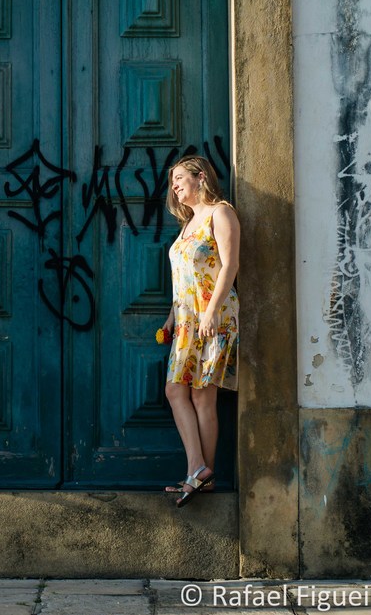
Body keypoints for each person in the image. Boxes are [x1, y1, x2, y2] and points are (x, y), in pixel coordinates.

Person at [161, 156, 239, 508]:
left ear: (201, 177)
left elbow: (230, 265)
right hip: (187, 320)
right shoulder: (188, 223)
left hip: (214, 317)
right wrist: (171, 315)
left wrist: (209, 312)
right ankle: (199, 470)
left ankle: (199, 475)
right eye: (172, 182)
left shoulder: (220, 213)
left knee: (202, 396)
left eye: (179, 178)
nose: (174, 186)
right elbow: (184, 280)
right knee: (176, 390)